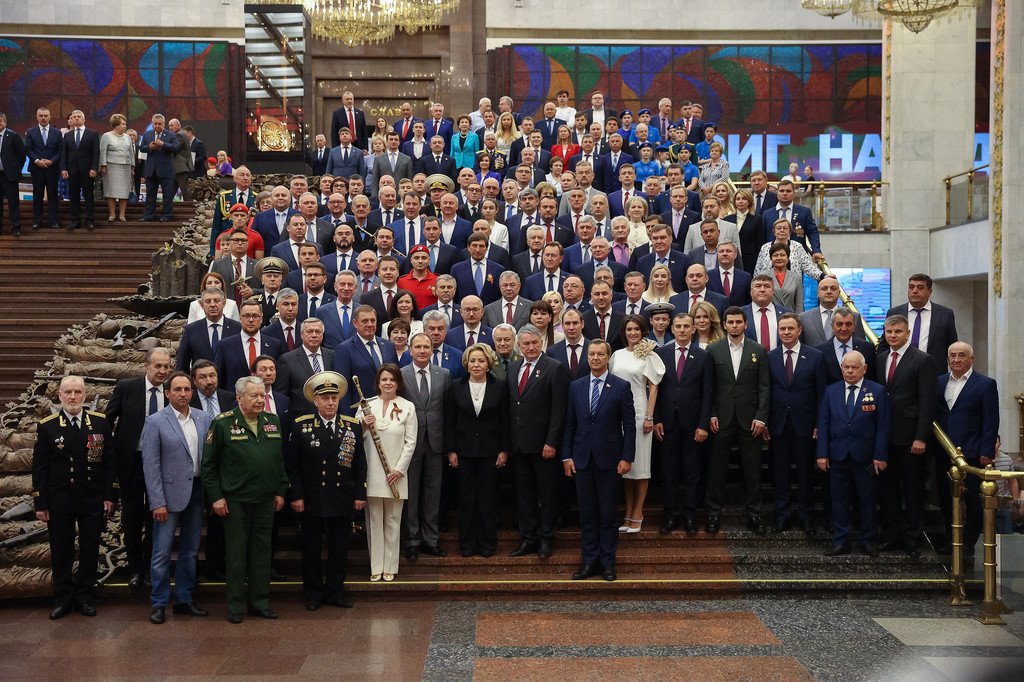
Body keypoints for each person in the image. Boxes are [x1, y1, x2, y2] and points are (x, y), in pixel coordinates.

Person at [202, 376, 288, 623]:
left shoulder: (272, 421)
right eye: (254, 395)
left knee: (262, 553)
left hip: (265, 500)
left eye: (262, 395)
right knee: (237, 555)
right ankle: (235, 606)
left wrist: (281, 489)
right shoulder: (222, 423)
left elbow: (278, 461)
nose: (260, 400)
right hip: (235, 501)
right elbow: (209, 466)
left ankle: (259, 603)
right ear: (239, 397)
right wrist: (216, 497)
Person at [32, 376, 115, 619]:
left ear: (85, 395)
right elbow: (40, 468)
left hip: (91, 498)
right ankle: (62, 599)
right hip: (60, 500)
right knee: (61, 551)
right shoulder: (47, 426)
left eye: (78, 392)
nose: (72, 397)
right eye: (68, 392)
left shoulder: (100, 423)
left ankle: (84, 597)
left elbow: (110, 463)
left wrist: (109, 496)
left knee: (90, 549)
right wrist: (41, 503)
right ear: (59, 396)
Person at [285, 372, 365, 611]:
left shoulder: (351, 426)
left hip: (341, 496)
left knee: (340, 548)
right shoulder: (302, 426)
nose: (331, 403)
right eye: (326, 398)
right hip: (312, 498)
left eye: (334, 398)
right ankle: (313, 592)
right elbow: (292, 465)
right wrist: (296, 495)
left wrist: (360, 494)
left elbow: (360, 463)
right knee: (310, 549)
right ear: (316, 401)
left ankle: (335, 591)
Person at [141, 371, 212, 624]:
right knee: (161, 552)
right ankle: (159, 603)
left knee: (190, 551)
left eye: (187, 390)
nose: (183, 394)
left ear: (193, 393)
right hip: (167, 497)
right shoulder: (156, 421)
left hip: (196, 491)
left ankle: (183, 599)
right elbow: (151, 465)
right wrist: (157, 501)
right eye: (178, 390)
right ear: (168, 393)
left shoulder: (203, 419)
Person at [562, 340, 635, 582]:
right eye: (591, 354)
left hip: (610, 460)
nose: (595, 358)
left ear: (607, 358)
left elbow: (629, 426)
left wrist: (627, 457)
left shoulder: (621, 387)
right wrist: (567, 456)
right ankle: (589, 561)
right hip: (582, 459)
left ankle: (607, 563)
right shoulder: (576, 387)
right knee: (588, 514)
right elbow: (570, 424)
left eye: (600, 354)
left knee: (607, 513)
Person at [106, 347, 171, 588]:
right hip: (131, 462)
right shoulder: (127, 388)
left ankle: (151, 566)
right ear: (146, 366)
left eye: (166, 366)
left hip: (162, 463)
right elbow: (107, 420)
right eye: (158, 366)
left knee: (156, 516)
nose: (162, 370)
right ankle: (135, 568)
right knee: (132, 517)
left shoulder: (173, 390)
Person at [876, 314, 938, 557]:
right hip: (884, 437)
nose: (892, 336)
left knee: (912, 491)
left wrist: (921, 436)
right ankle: (891, 535)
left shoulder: (923, 360)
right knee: (888, 490)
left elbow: (927, 402)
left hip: (911, 438)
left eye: (897, 332)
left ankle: (912, 539)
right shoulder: (880, 358)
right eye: (889, 332)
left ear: (907, 333)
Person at [816, 351, 889, 556]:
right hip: (837, 455)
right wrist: (822, 454)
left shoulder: (877, 391)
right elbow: (824, 423)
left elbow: (883, 426)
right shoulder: (831, 391)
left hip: (866, 457)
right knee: (838, 500)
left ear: (864, 369)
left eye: (854, 367)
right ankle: (841, 540)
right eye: (846, 367)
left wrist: (880, 455)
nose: (849, 371)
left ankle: (867, 540)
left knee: (867, 499)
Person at [705, 306, 770, 534]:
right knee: (716, 469)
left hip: (750, 420)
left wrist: (761, 417)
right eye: (730, 322)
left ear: (745, 324)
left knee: (752, 470)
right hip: (720, 419)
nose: (734, 325)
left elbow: (764, 387)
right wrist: (711, 413)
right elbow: (709, 388)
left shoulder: (758, 350)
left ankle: (754, 514)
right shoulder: (712, 350)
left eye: (738, 322)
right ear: (724, 324)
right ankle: (713, 513)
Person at [507, 325, 570, 558]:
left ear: (541, 343)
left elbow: (559, 409)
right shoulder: (513, 368)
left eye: (535, 342)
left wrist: (552, 442)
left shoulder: (554, 368)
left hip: (544, 446)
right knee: (524, 495)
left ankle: (546, 538)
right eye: (526, 344)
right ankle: (529, 538)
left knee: (547, 495)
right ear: (519, 346)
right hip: (519, 446)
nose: (531, 347)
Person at [445, 344, 510, 558]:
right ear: (466, 363)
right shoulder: (455, 386)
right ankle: (467, 545)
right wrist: (451, 450)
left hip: (491, 452)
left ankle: (487, 544)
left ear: (489, 363)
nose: (476, 364)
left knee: (488, 498)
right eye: (472, 360)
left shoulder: (500, 386)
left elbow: (504, 421)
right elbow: (450, 421)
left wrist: (504, 450)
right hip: (463, 452)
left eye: (481, 361)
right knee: (466, 499)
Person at [934, 342, 999, 555]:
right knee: (945, 497)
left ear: (971, 359)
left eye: (962, 355)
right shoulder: (939, 382)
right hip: (945, 451)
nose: (956, 359)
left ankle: (968, 543)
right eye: (952, 355)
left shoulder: (985, 384)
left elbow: (991, 421)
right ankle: (951, 540)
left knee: (971, 500)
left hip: (972, 453)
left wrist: (986, 451)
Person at [767, 313, 826, 534]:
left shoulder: (815, 356)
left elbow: (821, 393)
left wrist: (820, 423)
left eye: (790, 329)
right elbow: (767, 391)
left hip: (806, 424)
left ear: (799, 330)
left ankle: (806, 516)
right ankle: (782, 516)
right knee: (780, 473)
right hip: (778, 424)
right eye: (782, 329)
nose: (786, 333)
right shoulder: (770, 356)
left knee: (805, 474)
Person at [653, 312, 712, 533]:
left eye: (687, 326)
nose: (682, 330)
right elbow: (654, 389)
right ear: (672, 328)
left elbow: (708, 392)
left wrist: (703, 424)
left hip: (693, 423)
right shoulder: (660, 353)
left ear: (694, 328)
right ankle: (670, 515)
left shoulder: (703, 356)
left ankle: (689, 516)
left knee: (692, 472)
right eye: (678, 326)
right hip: (667, 422)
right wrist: (656, 419)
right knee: (668, 472)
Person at [607, 314, 665, 534]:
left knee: (640, 467)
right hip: (617, 415)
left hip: (640, 414)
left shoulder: (648, 354)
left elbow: (654, 387)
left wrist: (650, 416)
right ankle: (628, 513)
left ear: (643, 331)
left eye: (636, 329)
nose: (633, 333)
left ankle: (638, 513)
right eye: (629, 329)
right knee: (625, 468)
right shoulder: (617, 355)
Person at [359, 364, 416, 581]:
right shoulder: (366, 406)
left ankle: (390, 566)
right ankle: (376, 567)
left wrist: (400, 470)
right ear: (378, 382)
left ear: (398, 382)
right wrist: (363, 425)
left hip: (396, 474)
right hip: (372, 473)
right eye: (384, 379)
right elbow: (355, 439)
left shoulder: (408, 407)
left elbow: (411, 442)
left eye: (392, 379)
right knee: (374, 520)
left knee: (393, 520)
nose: (388, 383)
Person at [400, 333, 451, 559]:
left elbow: (447, 410)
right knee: (410, 493)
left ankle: (431, 540)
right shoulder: (400, 375)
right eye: (417, 347)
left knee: (433, 492)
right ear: (410, 350)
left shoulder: (444, 374)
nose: (422, 351)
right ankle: (411, 540)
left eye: (426, 347)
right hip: (409, 442)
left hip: (436, 441)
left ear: (432, 350)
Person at [883, 272, 959, 372]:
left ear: (929, 291)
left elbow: (952, 346)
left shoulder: (945, 314)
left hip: (934, 372)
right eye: (911, 287)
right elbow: (884, 345)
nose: (914, 291)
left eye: (920, 287)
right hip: (900, 371)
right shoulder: (894, 312)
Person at [274, 318, 336, 416]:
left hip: (330, 417)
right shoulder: (287, 360)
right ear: (301, 334)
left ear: (323, 335)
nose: (314, 335)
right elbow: (282, 395)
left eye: (318, 332)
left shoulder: (333, 356)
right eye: (309, 332)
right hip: (301, 419)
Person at [761, 179, 822, 260]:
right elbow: (762, 238)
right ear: (777, 194)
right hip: (773, 257)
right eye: (782, 191)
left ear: (793, 194)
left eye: (788, 191)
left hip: (797, 258)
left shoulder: (804, 212)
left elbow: (812, 233)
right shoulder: (767, 214)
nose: (785, 193)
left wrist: (816, 250)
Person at [60, 109, 100, 230]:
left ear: (83, 119)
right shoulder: (67, 135)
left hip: (88, 171)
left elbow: (96, 153)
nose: (76, 118)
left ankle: (89, 221)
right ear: (71, 119)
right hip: (72, 170)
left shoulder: (92, 134)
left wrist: (94, 168)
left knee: (88, 196)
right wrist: (63, 168)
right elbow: (64, 154)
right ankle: (75, 221)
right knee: (74, 196)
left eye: (79, 117)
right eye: (74, 117)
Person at [816, 306, 877, 385]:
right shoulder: (820, 351)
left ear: (854, 326)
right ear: (832, 326)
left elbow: (872, 379)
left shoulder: (867, 348)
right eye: (839, 324)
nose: (844, 329)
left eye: (848, 324)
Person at [25, 106, 62, 230]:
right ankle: (37, 221)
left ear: (50, 117)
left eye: (45, 116)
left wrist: (52, 161)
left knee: (52, 194)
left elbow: (60, 151)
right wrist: (37, 161)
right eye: (41, 116)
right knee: (37, 195)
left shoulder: (57, 133)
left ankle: (53, 221)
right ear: (37, 117)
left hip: (52, 168)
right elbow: (28, 149)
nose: (43, 118)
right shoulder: (30, 132)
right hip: (37, 168)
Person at [139, 114, 178, 222]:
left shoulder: (171, 135)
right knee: (150, 194)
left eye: (159, 124)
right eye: (155, 124)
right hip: (151, 170)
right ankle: (148, 216)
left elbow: (175, 148)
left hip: (166, 170)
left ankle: (166, 216)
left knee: (167, 195)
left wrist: (163, 144)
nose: (157, 126)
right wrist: (149, 147)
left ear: (164, 124)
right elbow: (142, 148)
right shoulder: (147, 134)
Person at [98, 113, 134, 222]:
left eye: (125, 124)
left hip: (125, 167)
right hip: (111, 166)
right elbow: (102, 152)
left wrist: (132, 167)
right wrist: (103, 165)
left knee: (123, 192)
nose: (125, 126)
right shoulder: (106, 136)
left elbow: (131, 153)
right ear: (116, 125)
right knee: (111, 191)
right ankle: (112, 214)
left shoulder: (127, 137)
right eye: (122, 124)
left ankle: (122, 215)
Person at [767, 242, 804, 312]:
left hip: (790, 318)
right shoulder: (764, 276)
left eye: (782, 255)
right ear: (771, 258)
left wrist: (798, 320)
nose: (779, 258)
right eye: (775, 255)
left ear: (787, 258)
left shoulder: (796, 277)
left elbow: (799, 304)